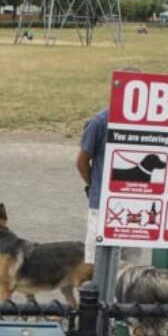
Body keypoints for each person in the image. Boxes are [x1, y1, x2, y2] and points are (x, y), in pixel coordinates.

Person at [75, 106, 108, 262]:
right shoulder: (100, 122)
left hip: (135, 209)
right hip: (101, 206)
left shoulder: (149, 123)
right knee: (94, 265)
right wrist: (94, 186)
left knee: (130, 269)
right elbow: (82, 162)